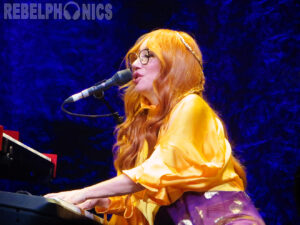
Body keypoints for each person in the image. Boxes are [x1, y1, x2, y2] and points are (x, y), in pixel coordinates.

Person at [45, 29, 265, 225]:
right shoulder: (145, 130)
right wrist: (106, 201)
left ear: (174, 62)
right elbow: (147, 202)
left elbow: (161, 170)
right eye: (134, 58)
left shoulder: (191, 106)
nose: (135, 65)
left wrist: (83, 192)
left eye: (147, 56)